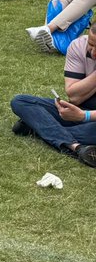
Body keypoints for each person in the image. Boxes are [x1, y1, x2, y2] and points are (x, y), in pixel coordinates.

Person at [10, 26, 96, 168]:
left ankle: (42, 129)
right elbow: (74, 97)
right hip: (78, 110)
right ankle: (69, 141)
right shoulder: (78, 46)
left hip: (88, 117)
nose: (93, 52)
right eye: (91, 44)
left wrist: (84, 116)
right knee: (21, 101)